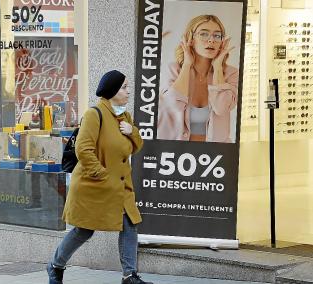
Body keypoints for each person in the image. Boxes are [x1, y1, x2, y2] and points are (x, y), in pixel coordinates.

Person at [47, 70, 152, 284]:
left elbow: (136, 146)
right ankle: (55, 265)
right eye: (124, 87)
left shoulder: (125, 118)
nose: (128, 91)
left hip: (120, 186)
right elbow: (83, 150)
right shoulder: (95, 114)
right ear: (112, 91)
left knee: (130, 223)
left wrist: (131, 131)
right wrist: (102, 175)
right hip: (94, 185)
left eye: (128, 87)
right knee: (84, 230)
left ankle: (129, 275)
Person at [157, 15, 239, 143]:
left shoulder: (230, 73)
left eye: (217, 36)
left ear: (222, 42)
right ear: (191, 38)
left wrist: (217, 67)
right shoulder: (173, 70)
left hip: (215, 156)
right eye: (204, 34)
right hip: (176, 153)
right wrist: (187, 64)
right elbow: (173, 107)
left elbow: (221, 108)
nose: (211, 40)